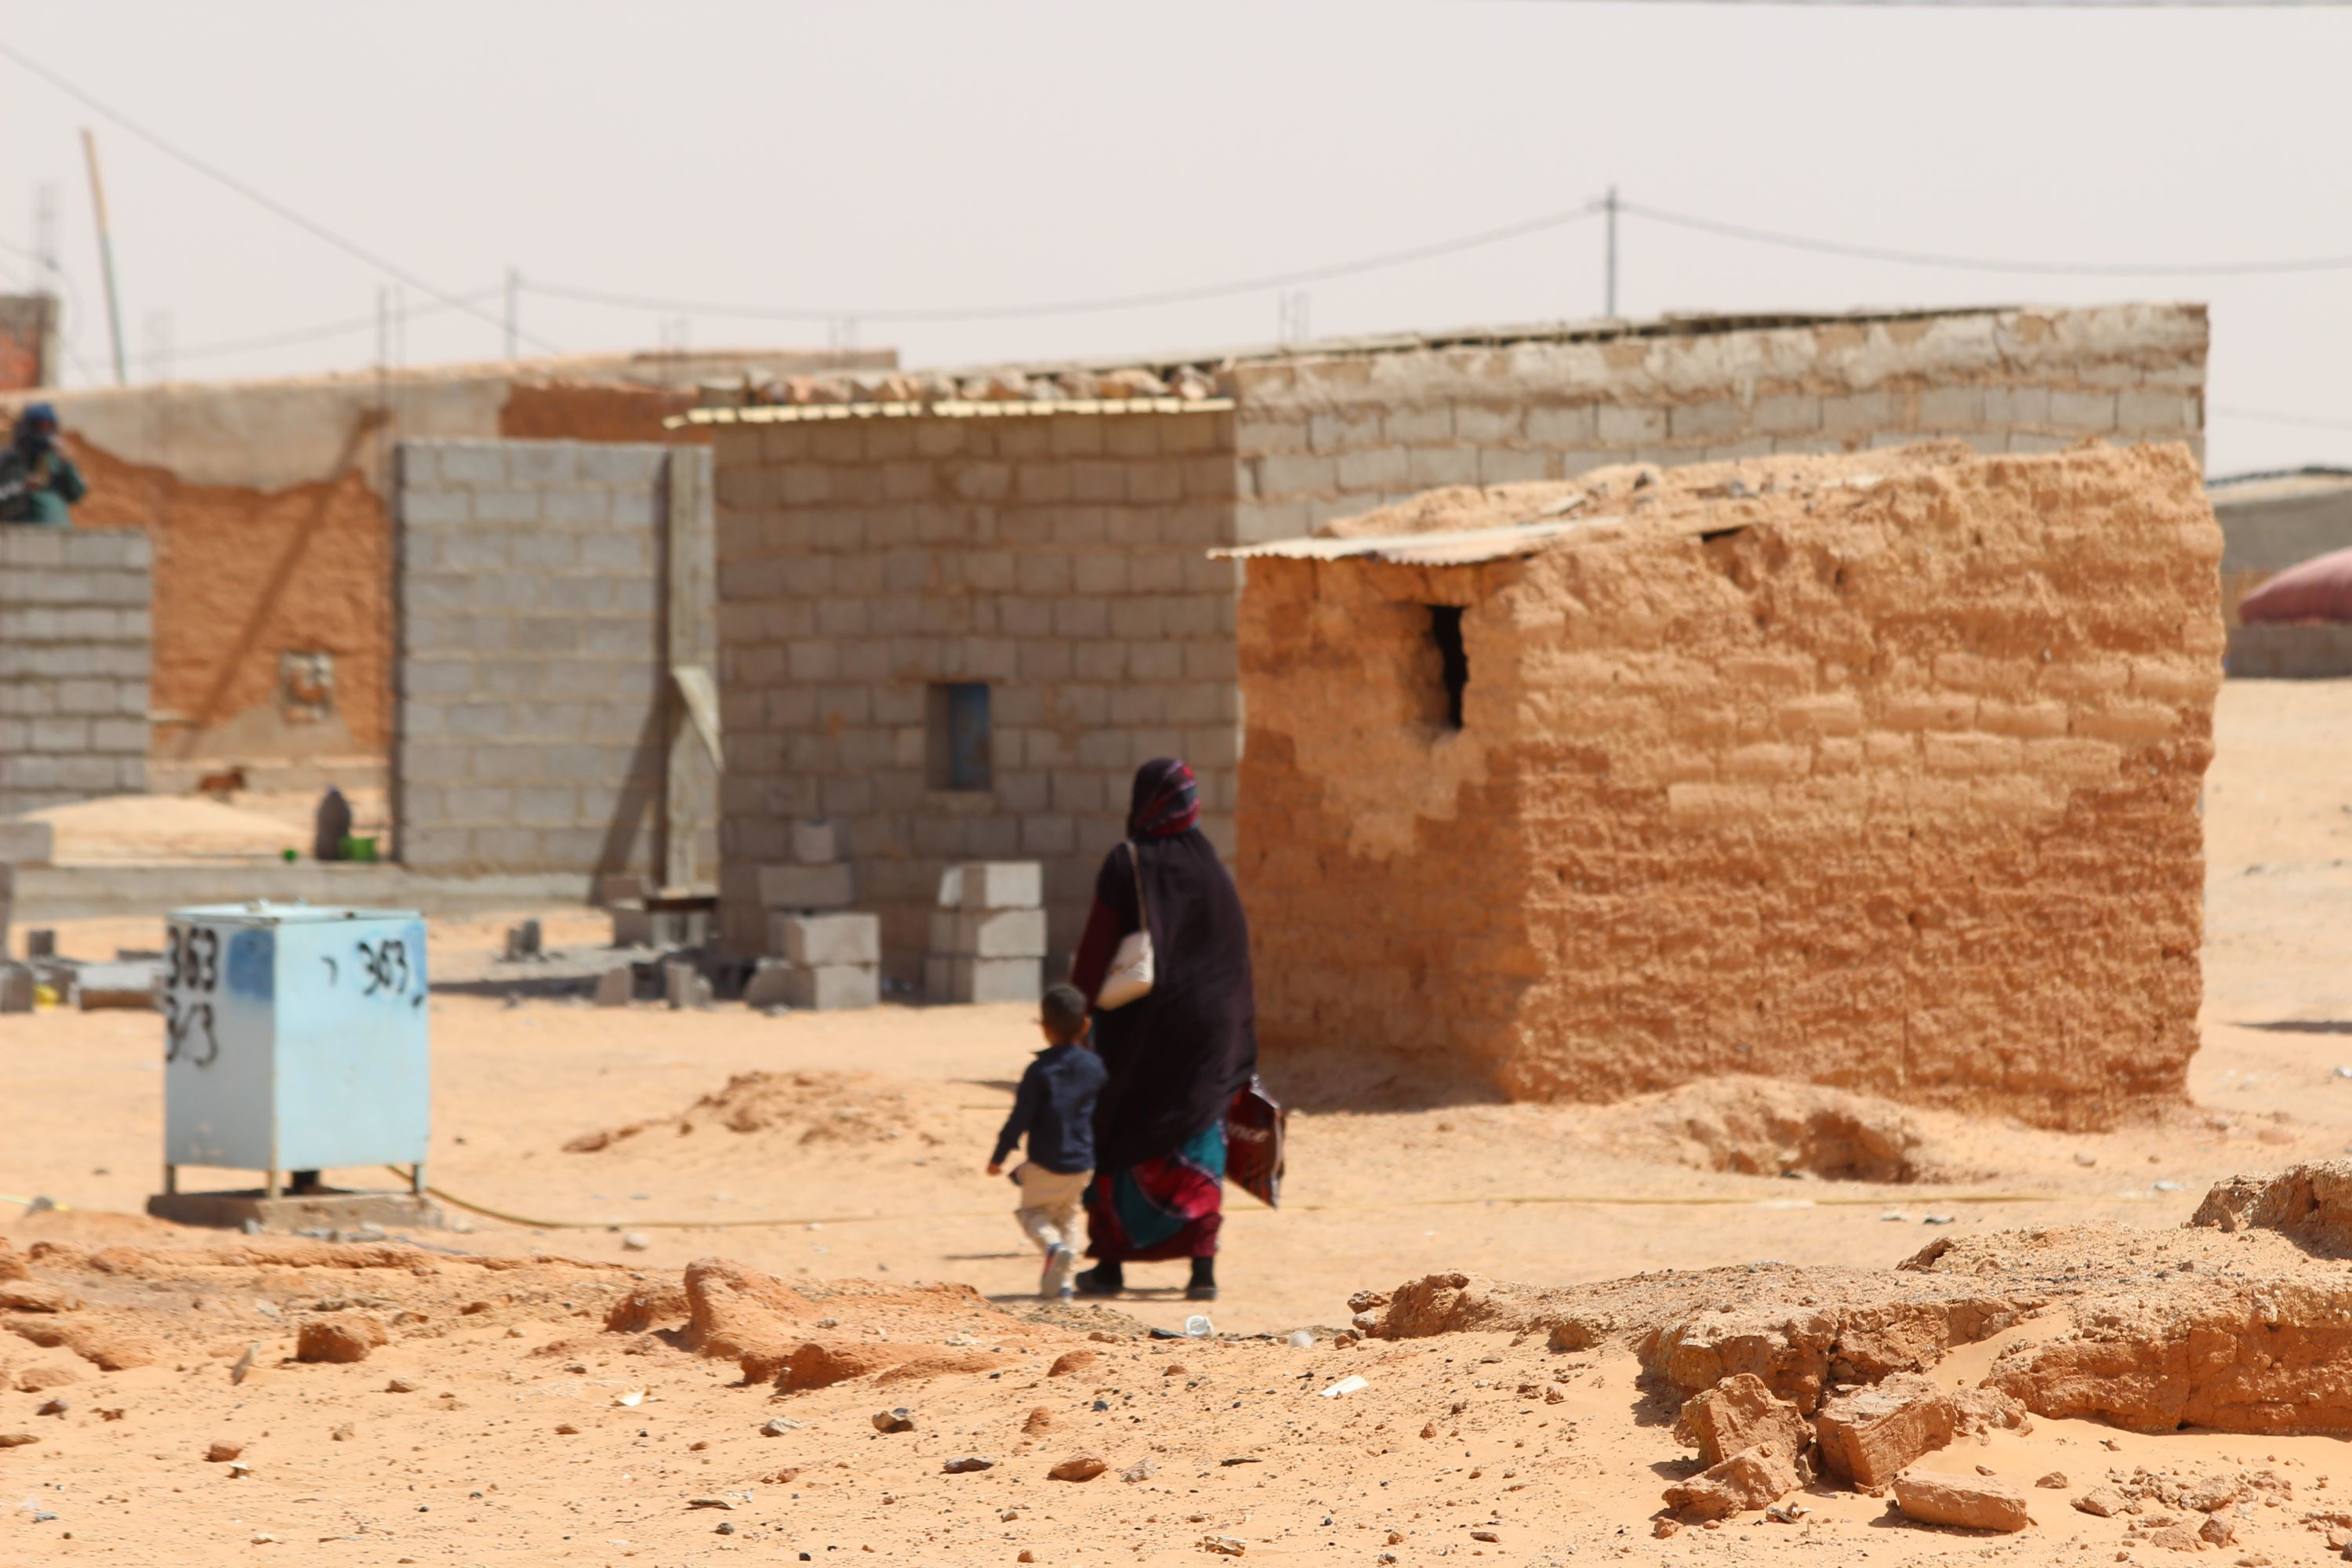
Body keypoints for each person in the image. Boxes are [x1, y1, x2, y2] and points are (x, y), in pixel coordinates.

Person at [1067, 757, 1258, 1303]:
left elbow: (1096, 951)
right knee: (1198, 1131)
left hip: (1142, 1031)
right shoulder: (1213, 868)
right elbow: (1236, 957)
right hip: (1211, 1034)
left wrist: (1075, 1017)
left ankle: (1110, 1266)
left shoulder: (1127, 863)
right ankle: (1202, 1269)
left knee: (1123, 1127)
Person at [987, 982, 1109, 1301]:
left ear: (1043, 1028)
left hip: (1044, 1162)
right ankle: (1063, 1285)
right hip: (1083, 1162)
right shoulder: (1095, 1067)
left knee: (1033, 1215)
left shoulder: (1039, 1070)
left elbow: (1020, 1119)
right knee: (1067, 1215)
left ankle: (1053, 1249)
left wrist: (999, 1156)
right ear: (1085, 1025)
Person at [0, 403, 88, 527]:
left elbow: (77, 493)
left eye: (49, 428)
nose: (46, 434)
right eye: (41, 428)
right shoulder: (10, 460)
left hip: (59, 538)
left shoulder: (55, 459)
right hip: (19, 537)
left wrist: (66, 464)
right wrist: (22, 488)